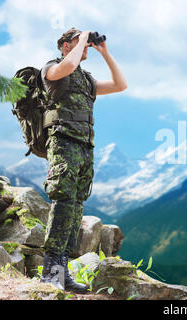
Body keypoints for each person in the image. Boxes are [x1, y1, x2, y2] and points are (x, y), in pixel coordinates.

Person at [40, 27, 127, 292]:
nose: (85, 47)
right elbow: (67, 66)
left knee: (76, 206)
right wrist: (82, 36)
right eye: (80, 44)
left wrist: (104, 51)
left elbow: (120, 84)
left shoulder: (86, 80)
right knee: (64, 202)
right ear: (66, 45)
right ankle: (50, 274)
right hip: (63, 143)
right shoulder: (52, 69)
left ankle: (63, 274)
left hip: (84, 147)